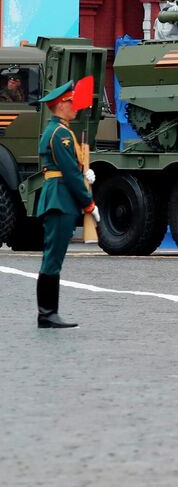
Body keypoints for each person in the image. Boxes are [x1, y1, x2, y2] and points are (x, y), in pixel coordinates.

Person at [34, 80, 98, 329]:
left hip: (59, 196)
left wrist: (85, 173)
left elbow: (73, 168)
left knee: (54, 256)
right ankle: (47, 313)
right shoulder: (60, 133)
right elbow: (69, 173)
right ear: (61, 104)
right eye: (72, 102)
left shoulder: (61, 130)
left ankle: (48, 313)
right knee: (53, 258)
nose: (76, 106)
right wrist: (89, 203)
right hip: (60, 198)